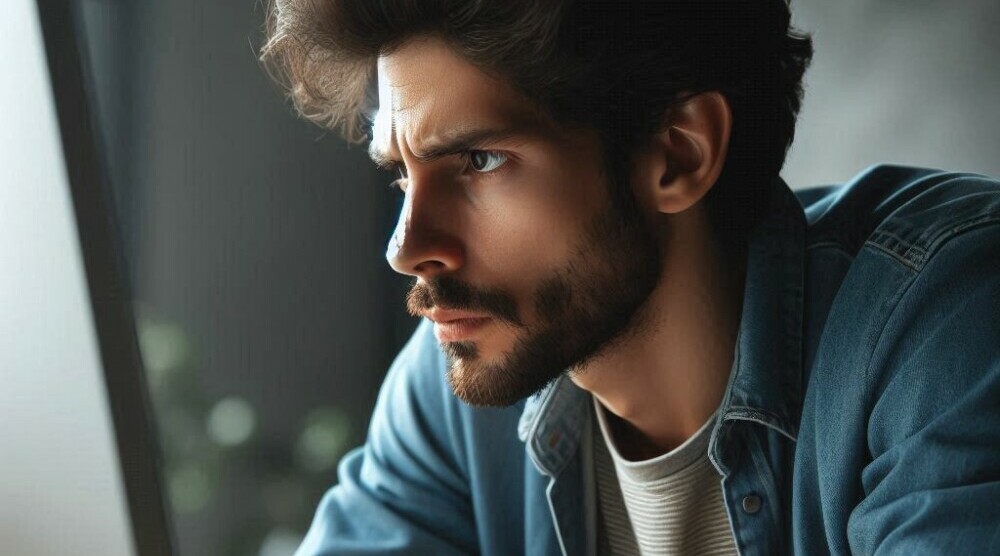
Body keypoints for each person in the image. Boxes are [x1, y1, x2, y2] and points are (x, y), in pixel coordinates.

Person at [260, 1, 1000, 554]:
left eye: (479, 162)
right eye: (401, 176)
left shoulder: (944, 321)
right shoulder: (455, 394)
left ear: (678, 155)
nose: (408, 247)